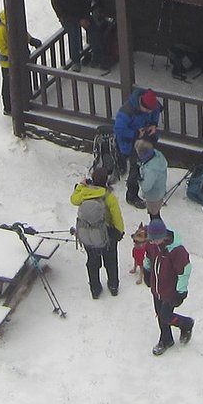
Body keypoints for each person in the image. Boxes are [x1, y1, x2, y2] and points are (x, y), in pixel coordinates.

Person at [69, 165, 125, 299]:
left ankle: (95, 289)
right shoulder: (109, 197)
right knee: (111, 261)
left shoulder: (84, 193)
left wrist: (81, 186)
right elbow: (116, 216)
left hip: (88, 234)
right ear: (106, 181)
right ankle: (113, 286)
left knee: (92, 262)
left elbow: (73, 199)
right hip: (107, 234)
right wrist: (119, 232)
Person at [141, 218, 193, 356]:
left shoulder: (176, 251)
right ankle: (166, 339)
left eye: (154, 240)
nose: (151, 242)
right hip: (157, 288)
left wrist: (181, 291)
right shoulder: (152, 244)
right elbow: (148, 257)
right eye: (150, 240)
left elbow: (184, 271)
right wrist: (146, 271)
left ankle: (186, 324)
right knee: (160, 315)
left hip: (170, 290)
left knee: (165, 315)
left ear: (163, 236)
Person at [113, 87, 162, 204]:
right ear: (141, 105)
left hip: (145, 138)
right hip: (130, 142)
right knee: (135, 168)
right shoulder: (126, 111)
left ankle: (148, 185)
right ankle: (132, 196)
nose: (150, 112)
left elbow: (156, 110)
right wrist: (135, 133)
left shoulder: (152, 105)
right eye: (147, 111)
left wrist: (153, 124)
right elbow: (118, 129)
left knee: (147, 163)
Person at [50, 0, 94, 66]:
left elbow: (86, 2)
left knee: (94, 28)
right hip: (67, 19)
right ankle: (76, 61)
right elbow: (61, 14)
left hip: (82, 14)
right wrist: (78, 20)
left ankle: (97, 57)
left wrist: (85, 17)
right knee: (73, 33)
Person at [134, 133, 169, 225]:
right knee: (156, 213)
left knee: (154, 216)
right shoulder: (157, 156)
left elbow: (146, 187)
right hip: (159, 191)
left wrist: (140, 179)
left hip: (153, 196)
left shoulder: (151, 170)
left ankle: (158, 233)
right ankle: (158, 231)